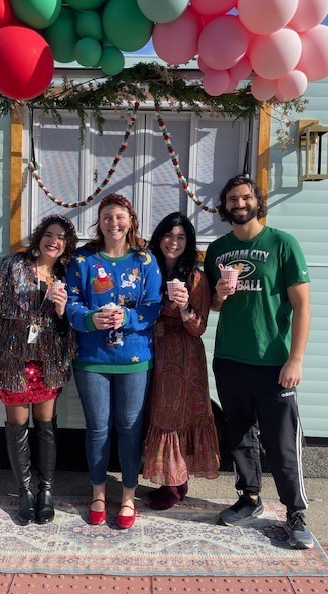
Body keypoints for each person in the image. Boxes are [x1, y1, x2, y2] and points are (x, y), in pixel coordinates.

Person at [203, 175, 314, 550]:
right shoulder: (217, 249)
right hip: (230, 359)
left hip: (273, 362)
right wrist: (217, 295)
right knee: (240, 435)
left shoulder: (282, 244)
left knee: (281, 442)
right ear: (225, 206)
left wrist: (295, 358)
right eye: (232, 198)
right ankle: (249, 498)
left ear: (257, 201)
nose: (238, 203)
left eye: (245, 197)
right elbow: (214, 306)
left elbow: (302, 306)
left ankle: (295, 513)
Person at [65, 193, 162, 529]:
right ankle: (98, 494)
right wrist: (92, 320)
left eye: (120, 216)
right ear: (99, 222)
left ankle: (129, 497)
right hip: (92, 358)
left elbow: (152, 306)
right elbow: (71, 305)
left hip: (134, 358)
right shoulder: (83, 260)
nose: (114, 223)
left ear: (131, 220)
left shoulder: (145, 261)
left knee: (130, 430)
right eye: (107, 217)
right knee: (97, 429)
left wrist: (128, 317)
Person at [0, 214, 78, 526]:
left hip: (49, 362)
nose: (54, 240)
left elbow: (72, 323)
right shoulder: (11, 266)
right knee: (17, 426)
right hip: (12, 361)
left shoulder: (67, 274)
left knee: (46, 424)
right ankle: (25, 493)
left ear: (67, 245)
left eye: (61, 237)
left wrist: (62, 308)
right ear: (39, 237)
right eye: (49, 234)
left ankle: (45, 491)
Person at [142, 212, 220, 510]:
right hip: (151, 348)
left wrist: (185, 305)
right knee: (156, 412)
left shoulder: (196, 277)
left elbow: (199, 327)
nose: (173, 242)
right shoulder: (149, 269)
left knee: (174, 415)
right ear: (159, 237)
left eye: (181, 237)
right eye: (168, 235)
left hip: (183, 352)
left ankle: (174, 484)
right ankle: (173, 480)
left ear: (188, 243)